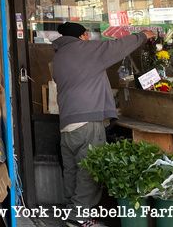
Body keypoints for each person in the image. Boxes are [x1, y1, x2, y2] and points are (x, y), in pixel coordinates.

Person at [53, 22, 155, 224]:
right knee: (89, 170)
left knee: (72, 170)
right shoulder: (85, 50)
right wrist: (143, 35)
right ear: (82, 36)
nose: (89, 39)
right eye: (87, 35)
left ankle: (69, 212)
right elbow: (117, 47)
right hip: (87, 120)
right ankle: (78, 217)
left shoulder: (58, 56)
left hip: (67, 123)